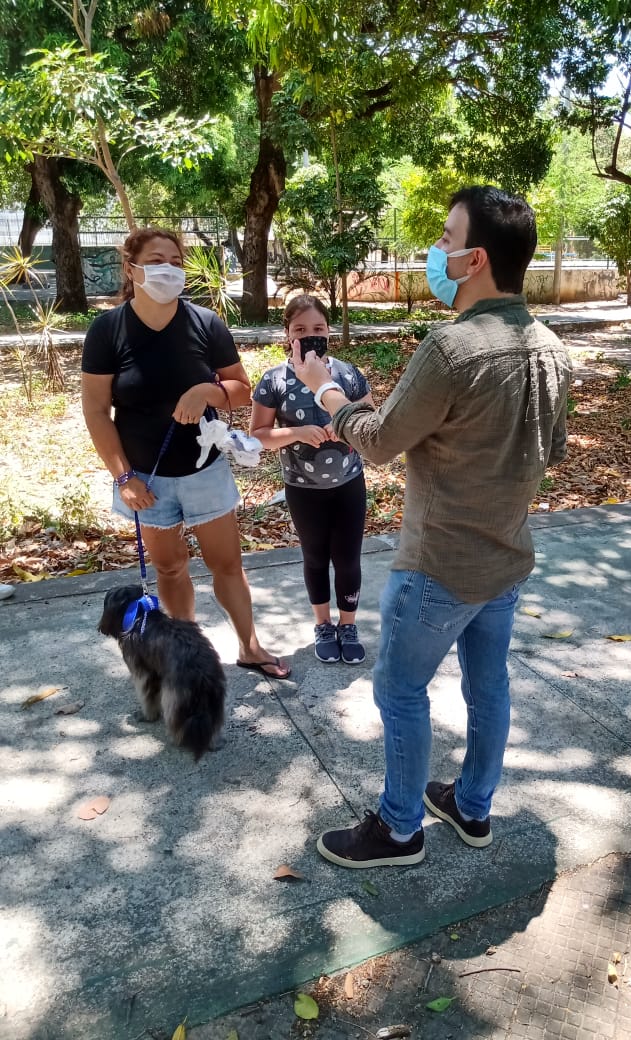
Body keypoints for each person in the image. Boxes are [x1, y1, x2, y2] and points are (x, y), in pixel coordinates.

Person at [292, 186, 572, 867]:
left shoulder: (451, 348)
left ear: (475, 259)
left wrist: (328, 392)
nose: (435, 252)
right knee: (489, 687)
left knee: (398, 689)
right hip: (505, 562)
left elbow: (380, 440)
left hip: (439, 567)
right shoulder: (551, 347)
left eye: (446, 239)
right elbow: (553, 450)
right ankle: (471, 807)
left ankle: (398, 829)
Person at [81, 226, 290, 679]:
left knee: (227, 564)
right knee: (170, 568)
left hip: (204, 472)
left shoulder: (205, 322)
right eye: (157, 260)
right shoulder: (107, 330)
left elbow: (238, 388)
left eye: (176, 262)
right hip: (145, 479)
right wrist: (123, 477)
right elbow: (96, 412)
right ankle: (185, 656)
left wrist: (206, 391)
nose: (168, 270)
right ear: (131, 267)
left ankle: (250, 647)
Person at [250, 294, 373, 664]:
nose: (310, 335)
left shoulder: (347, 374)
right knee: (315, 558)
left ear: (329, 331)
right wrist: (299, 432)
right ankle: (323, 624)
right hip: (303, 489)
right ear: (287, 334)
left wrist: (346, 428)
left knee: (348, 559)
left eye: (318, 328)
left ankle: (348, 625)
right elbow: (257, 434)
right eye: (300, 329)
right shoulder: (274, 381)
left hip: (349, 484)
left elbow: (371, 421)